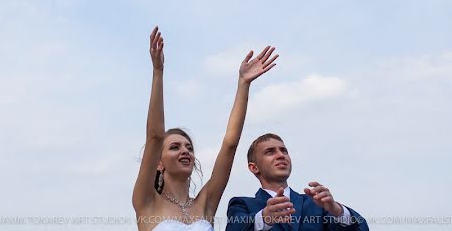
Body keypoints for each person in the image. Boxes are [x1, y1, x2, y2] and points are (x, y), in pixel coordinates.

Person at [133, 27, 279, 231]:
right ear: (158, 161)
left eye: (189, 148)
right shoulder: (147, 201)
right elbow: (155, 136)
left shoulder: (206, 203)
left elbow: (230, 145)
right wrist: (158, 72)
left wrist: (243, 84)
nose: (185, 151)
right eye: (174, 147)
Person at [225, 133, 368, 231]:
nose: (281, 155)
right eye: (270, 152)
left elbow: (361, 227)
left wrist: (338, 211)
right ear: (254, 167)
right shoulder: (241, 205)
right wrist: (264, 218)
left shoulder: (317, 204)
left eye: (284, 151)